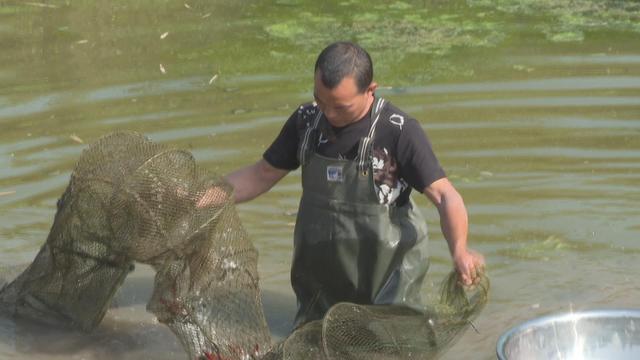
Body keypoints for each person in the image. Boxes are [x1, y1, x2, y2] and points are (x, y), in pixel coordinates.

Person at [199, 41, 485, 328]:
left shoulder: (398, 131)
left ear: (370, 90)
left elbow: (445, 195)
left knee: (386, 343)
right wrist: (200, 198)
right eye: (321, 101)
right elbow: (260, 174)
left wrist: (459, 249)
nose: (329, 115)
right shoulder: (307, 121)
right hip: (321, 273)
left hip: (386, 278)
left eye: (340, 107)